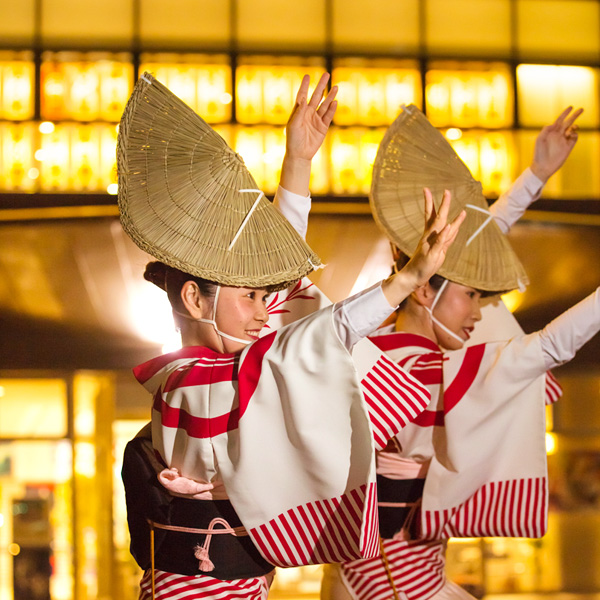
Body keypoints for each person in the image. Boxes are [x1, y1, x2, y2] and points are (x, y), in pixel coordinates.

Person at [119, 73, 464, 600]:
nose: (265, 312)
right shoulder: (195, 381)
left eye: (263, 298)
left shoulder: (220, 366)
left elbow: (285, 288)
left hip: (233, 578)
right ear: (193, 299)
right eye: (251, 298)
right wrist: (406, 281)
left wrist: (298, 162)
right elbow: (315, 334)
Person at [301, 104, 598, 600]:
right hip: (392, 591)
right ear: (422, 291)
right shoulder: (417, 373)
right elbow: (546, 347)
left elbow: (462, 263)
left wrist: (536, 176)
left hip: (399, 583)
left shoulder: (379, 352)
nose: (479, 312)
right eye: (473, 297)